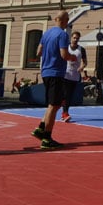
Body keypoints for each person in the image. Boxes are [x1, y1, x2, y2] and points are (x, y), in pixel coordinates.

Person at [32, 10, 77, 149]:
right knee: (54, 105)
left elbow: (38, 52)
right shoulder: (62, 34)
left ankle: (41, 128)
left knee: (55, 104)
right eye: (67, 20)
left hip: (46, 71)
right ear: (63, 20)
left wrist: (49, 54)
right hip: (56, 72)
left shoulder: (46, 34)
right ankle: (47, 138)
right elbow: (64, 54)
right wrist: (72, 57)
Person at [61, 30, 88, 122]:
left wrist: (81, 67)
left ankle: (65, 112)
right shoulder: (65, 48)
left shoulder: (81, 49)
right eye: (74, 38)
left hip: (75, 75)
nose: (75, 39)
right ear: (71, 38)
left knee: (69, 95)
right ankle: (65, 113)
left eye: (77, 38)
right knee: (65, 94)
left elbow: (85, 62)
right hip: (65, 74)